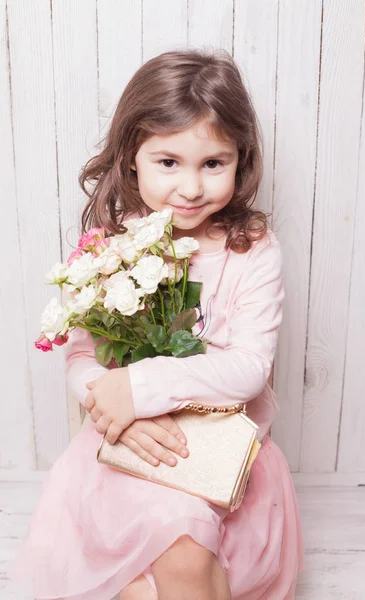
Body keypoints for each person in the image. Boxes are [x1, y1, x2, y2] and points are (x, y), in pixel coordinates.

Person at [8, 48, 304, 600]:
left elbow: (248, 369)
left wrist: (139, 388)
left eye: (213, 163)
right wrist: (120, 412)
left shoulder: (252, 250)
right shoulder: (114, 246)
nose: (191, 188)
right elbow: (80, 358)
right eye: (169, 162)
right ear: (131, 160)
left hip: (217, 450)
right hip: (131, 446)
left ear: (241, 160)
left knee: (187, 560)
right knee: (151, 579)